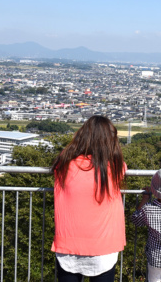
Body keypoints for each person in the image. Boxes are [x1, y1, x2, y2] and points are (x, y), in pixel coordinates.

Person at [52, 115, 126, 282]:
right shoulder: (113, 168)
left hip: (69, 244)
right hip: (104, 245)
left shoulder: (64, 164)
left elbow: (64, 154)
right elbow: (123, 166)